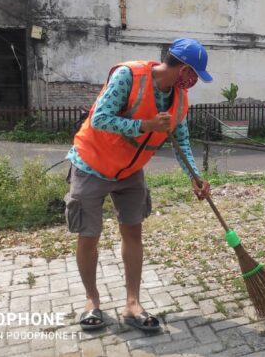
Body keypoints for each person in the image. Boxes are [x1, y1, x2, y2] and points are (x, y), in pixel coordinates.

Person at [65, 38, 212, 332]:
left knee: (133, 231)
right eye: (194, 74)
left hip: (130, 171)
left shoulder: (179, 99)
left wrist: (195, 178)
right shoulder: (129, 77)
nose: (194, 81)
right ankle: (91, 302)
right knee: (89, 235)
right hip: (92, 164)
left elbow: (181, 141)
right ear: (183, 69)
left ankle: (132, 304)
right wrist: (144, 126)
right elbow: (100, 119)